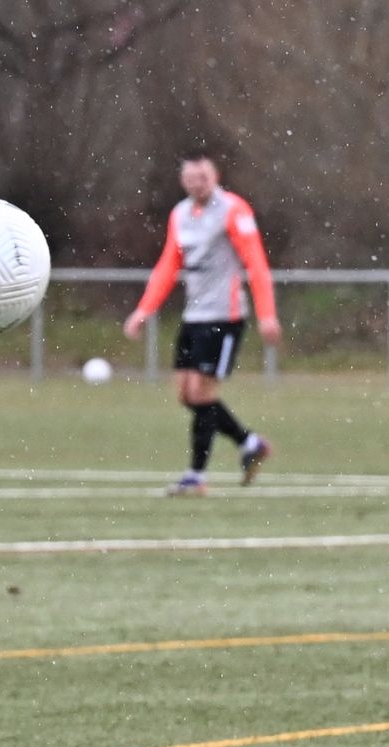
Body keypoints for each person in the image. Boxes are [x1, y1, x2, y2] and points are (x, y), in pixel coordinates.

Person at [123, 152, 282, 496]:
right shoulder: (180, 214)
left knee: (201, 393)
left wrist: (267, 313)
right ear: (183, 181)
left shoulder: (233, 210)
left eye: (203, 178)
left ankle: (196, 476)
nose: (197, 184)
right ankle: (249, 442)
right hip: (194, 316)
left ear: (215, 177)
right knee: (185, 394)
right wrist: (144, 310)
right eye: (191, 178)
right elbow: (169, 264)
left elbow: (255, 262)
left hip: (225, 316)